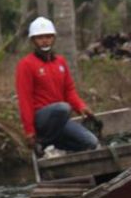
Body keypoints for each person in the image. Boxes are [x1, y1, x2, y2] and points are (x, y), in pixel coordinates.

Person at [15, 16, 98, 154]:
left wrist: (81, 107)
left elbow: (69, 90)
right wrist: (29, 130)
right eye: (40, 37)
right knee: (63, 107)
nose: (44, 40)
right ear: (33, 41)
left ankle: (55, 146)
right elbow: (25, 99)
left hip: (60, 120)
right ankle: (43, 141)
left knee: (91, 142)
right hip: (41, 119)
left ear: (53, 38)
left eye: (48, 36)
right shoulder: (26, 64)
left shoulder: (60, 62)